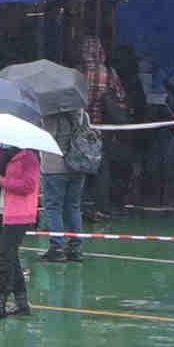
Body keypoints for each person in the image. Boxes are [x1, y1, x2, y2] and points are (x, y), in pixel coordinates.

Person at [45, 102, 100, 266]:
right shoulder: (82, 113)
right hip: (78, 165)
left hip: (54, 166)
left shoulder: (50, 114)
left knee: (54, 207)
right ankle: (75, 248)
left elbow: (47, 137)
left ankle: (57, 248)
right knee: (73, 206)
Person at [0, 146, 40, 319]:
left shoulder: (30, 157)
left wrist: (2, 181)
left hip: (19, 214)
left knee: (4, 257)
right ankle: (21, 302)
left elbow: (29, 185)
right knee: (9, 256)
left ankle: (0, 302)